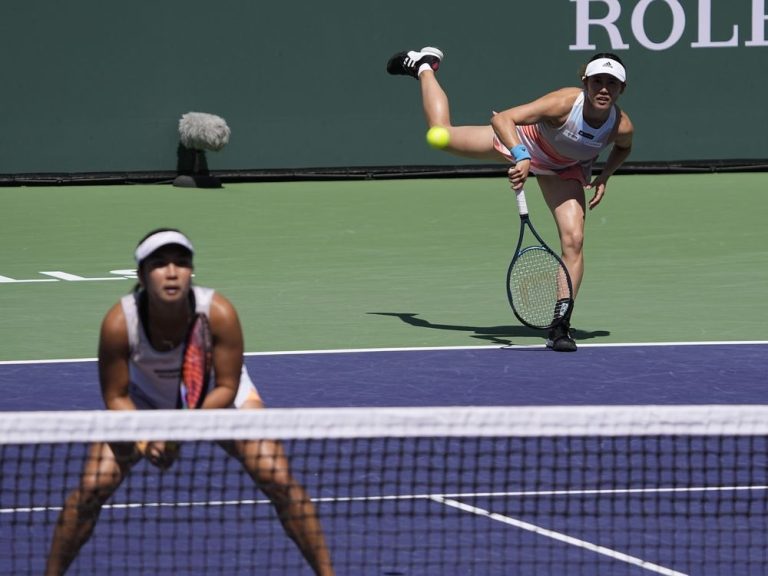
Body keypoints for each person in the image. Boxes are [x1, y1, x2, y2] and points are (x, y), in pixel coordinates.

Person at [46, 228, 335, 576]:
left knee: (276, 476)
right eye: (160, 264)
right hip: (143, 401)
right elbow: (116, 396)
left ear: (191, 271)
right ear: (141, 275)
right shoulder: (119, 323)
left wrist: (179, 429)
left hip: (216, 397)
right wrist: (144, 437)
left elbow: (227, 386)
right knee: (93, 486)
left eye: (181, 263)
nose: (172, 271)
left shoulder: (219, 313)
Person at [387, 47, 634, 351]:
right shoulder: (563, 103)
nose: (604, 89)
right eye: (597, 81)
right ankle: (425, 66)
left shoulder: (620, 125)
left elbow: (623, 148)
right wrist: (521, 155)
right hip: (523, 143)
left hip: (563, 169)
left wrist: (605, 176)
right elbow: (503, 119)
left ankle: (560, 326)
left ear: (622, 88)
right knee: (441, 134)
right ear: (585, 81)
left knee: (574, 241)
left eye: (612, 83)